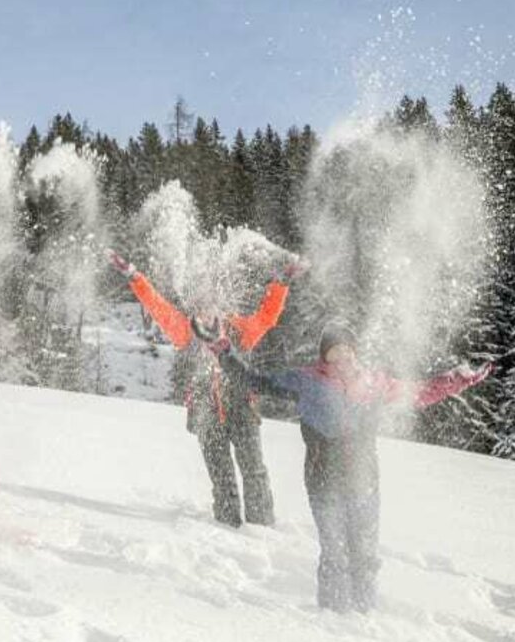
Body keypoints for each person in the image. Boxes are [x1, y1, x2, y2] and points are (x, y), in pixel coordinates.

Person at [207, 321, 491, 612]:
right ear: (323, 355)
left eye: (346, 349)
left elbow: (420, 392)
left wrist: (456, 379)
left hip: (364, 483)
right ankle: (333, 617)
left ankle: (363, 612)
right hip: (322, 483)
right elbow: (256, 380)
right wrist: (225, 353)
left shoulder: (375, 384)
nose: (341, 356)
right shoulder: (307, 381)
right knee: (335, 553)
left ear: (355, 352)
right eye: (333, 351)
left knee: (364, 555)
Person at [108, 250, 299, 527]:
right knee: (222, 476)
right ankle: (228, 525)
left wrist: (281, 283)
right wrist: (133, 275)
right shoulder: (185, 330)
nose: (206, 309)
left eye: (211, 302)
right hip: (205, 414)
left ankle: (262, 527)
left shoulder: (238, 329)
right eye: (200, 303)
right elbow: (156, 305)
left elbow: (268, 316)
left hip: (242, 410)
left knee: (254, 471)